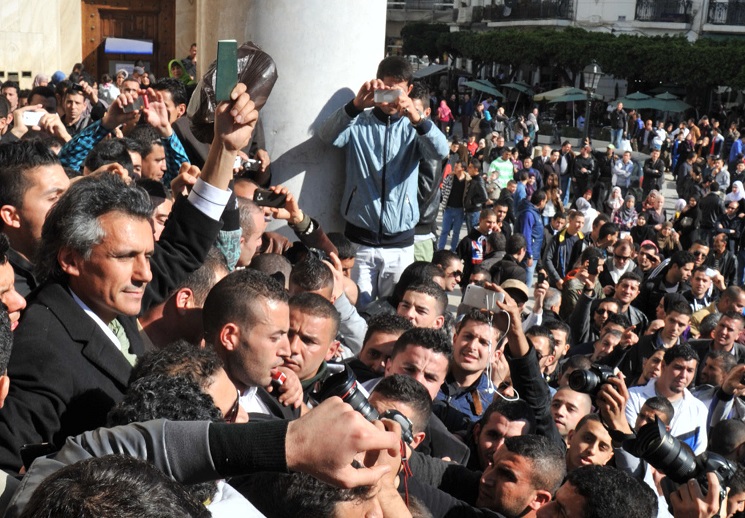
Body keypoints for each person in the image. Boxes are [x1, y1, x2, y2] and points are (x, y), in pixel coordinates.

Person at [0, 82, 257, 471]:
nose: (144, 273)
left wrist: (225, 148)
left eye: (147, 255)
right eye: (126, 256)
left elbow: (184, 245)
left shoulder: (107, 295)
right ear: (71, 258)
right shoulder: (42, 342)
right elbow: (11, 465)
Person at [318, 56, 449, 309]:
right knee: (356, 309)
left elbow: (440, 151)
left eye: (397, 91)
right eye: (386, 89)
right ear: (378, 85)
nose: (391, 98)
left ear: (409, 90)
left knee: (395, 311)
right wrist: (355, 105)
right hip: (360, 242)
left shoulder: (415, 127)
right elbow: (326, 136)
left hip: (400, 244)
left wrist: (417, 118)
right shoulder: (360, 122)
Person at [627, 344, 708, 454]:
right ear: (663, 366)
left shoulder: (699, 409)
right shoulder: (633, 397)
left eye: (690, 370)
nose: (683, 375)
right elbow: (629, 440)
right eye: (678, 368)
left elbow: (699, 452)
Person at [517, 190, 547, 286]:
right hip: (528, 256)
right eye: (545, 201)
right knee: (525, 285)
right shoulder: (529, 214)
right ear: (541, 201)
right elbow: (526, 235)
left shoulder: (535, 212)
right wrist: (529, 255)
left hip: (534, 253)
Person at [439, 159, 468, 251]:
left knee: (456, 232)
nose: (454, 168)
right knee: (444, 231)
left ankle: (452, 250)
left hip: (460, 210)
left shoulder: (467, 180)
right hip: (448, 208)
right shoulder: (450, 177)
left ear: (462, 168)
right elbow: (443, 190)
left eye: (457, 167)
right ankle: (441, 250)